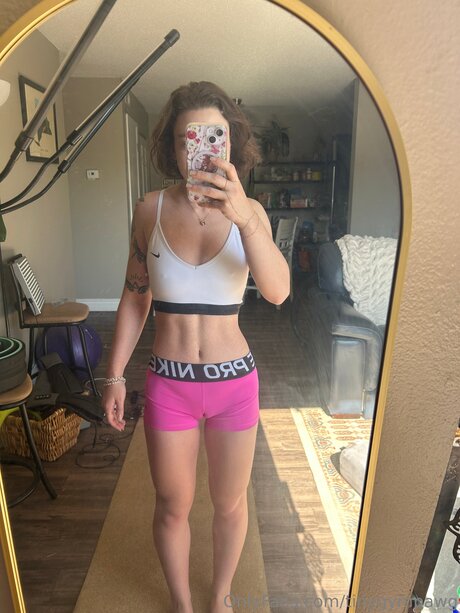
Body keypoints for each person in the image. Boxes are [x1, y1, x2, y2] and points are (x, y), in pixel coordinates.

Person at [101, 81, 290, 613]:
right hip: (170, 385)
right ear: (174, 146)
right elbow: (135, 297)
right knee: (171, 505)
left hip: (235, 385)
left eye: (216, 136)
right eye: (192, 138)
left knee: (230, 504)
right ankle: (183, 604)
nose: (204, 149)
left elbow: (278, 291)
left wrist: (244, 217)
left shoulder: (251, 212)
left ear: (231, 143)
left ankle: (220, 596)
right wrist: (114, 375)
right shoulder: (151, 209)